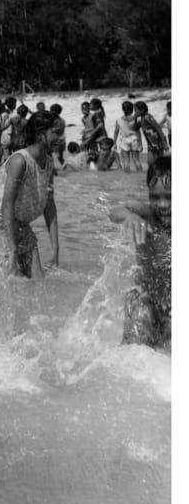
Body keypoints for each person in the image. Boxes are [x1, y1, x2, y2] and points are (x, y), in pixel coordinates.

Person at [0, 111, 62, 279]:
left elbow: (49, 205)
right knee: (13, 282)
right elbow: (7, 204)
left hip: (21, 224)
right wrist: (12, 250)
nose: (61, 138)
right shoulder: (20, 161)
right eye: (56, 132)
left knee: (38, 281)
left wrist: (55, 250)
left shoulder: (48, 161)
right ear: (41, 134)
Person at [109, 157, 170, 349]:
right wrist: (130, 216)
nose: (162, 204)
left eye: (170, 197)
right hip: (146, 300)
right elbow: (115, 211)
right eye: (155, 196)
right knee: (139, 309)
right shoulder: (147, 214)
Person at [133, 101, 169, 166]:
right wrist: (135, 119)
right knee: (150, 164)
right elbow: (135, 128)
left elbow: (158, 129)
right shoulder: (141, 119)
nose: (135, 112)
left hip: (158, 142)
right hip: (150, 144)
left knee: (158, 163)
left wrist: (164, 143)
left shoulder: (148, 117)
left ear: (142, 110)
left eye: (136, 110)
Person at [111, 101, 142, 173]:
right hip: (134, 139)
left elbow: (116, 132)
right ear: (132, 109)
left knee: (126, 160)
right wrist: (140, 143)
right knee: (136, 159)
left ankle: (127, 177)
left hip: (124, 140)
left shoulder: (118, 120)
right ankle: (140, 174)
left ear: (122, 109)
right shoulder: (135, 119)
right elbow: (138, 131)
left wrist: (114, 142)